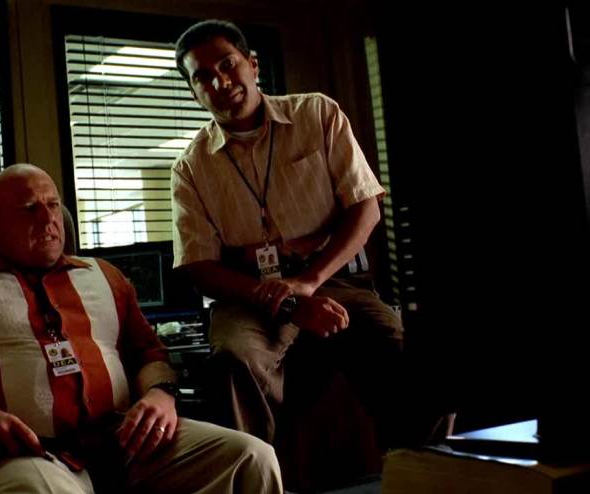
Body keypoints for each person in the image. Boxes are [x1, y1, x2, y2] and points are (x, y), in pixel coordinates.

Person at [0, 163, 282, 494]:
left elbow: (149, 354)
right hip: (31, 453)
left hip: (126, 441)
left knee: (252, 457)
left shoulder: (105, 275)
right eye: (29, 208)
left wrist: (161, 395)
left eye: (52, 205)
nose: (48, 219)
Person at [171, 19, 448, 490]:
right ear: (194, 91)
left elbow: (365, 208)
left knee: (408, 351)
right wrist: (286, 302)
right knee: (235, 360)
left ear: (252, 65)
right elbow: (200, 267)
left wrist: (308, 282)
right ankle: (259, 481)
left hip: (331, 276)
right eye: (203, 77)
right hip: (249, 296)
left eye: (228, 65)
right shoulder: (191, 167)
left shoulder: (316, 114)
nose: (219, 82)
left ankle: (424, 474)